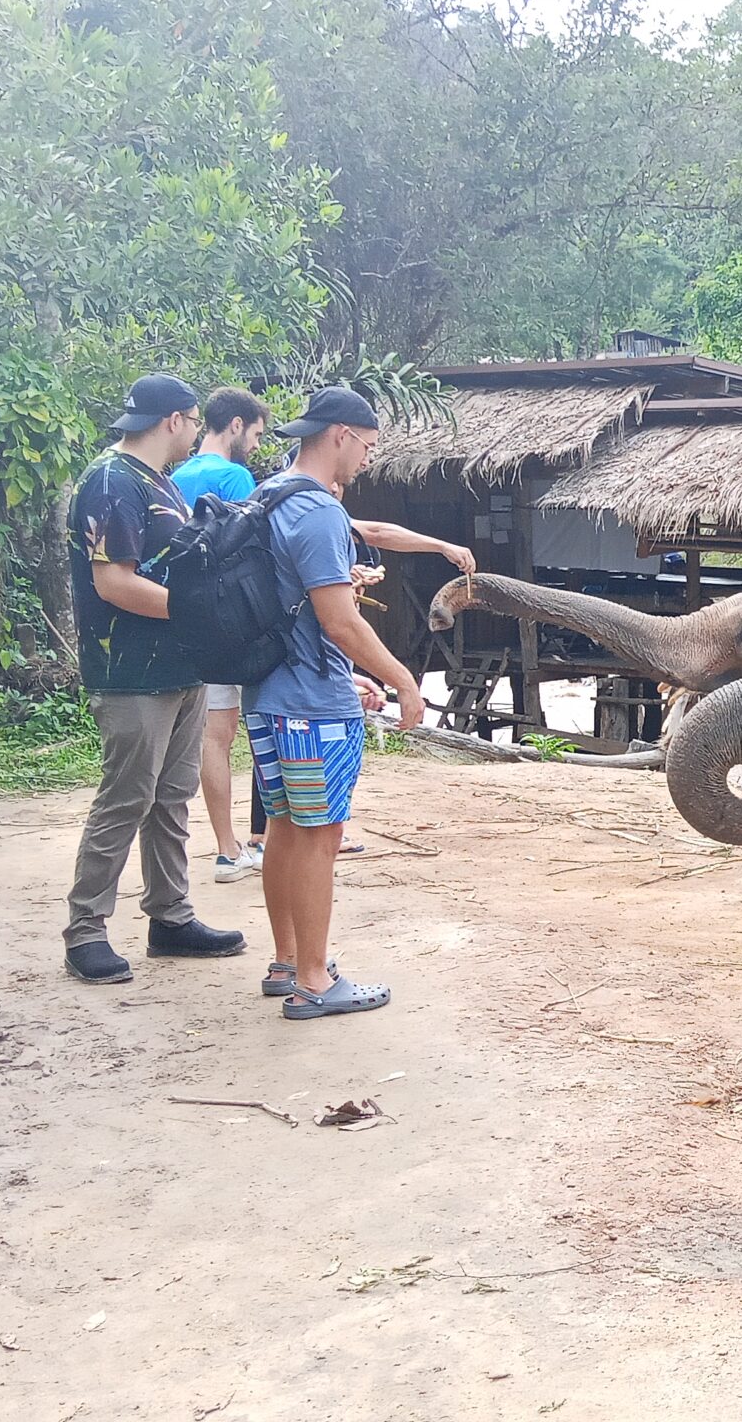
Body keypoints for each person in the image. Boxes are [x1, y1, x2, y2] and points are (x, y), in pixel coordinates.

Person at [61, 373, 247, 984]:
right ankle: (85, 929)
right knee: (128, 796)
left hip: (177, 665)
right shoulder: (112, 481)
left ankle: (170, 916)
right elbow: (113, 581)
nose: (197, 432)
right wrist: (199, 613)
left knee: (171, 797)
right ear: (175, 420)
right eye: (194, 421)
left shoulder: (156, 481)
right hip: (130, 671)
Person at [244, 386, 422, 1018]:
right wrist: (401, 678)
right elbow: (339, 621)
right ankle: (315, 982)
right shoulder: (317, 510)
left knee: (286, 827)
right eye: (368, 447)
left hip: (267, 693)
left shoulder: (265, 495)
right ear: (342, 435)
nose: (367, 461)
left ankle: (287, 962)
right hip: (310, 705)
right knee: (321, 834)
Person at [169, 387, 271, 884]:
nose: (254, 445)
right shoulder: (234, 477)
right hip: (231, 620)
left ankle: (228, 846)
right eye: (254, 434)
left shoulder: (174, 477)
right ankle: (248, 844)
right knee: (240, 734)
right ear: (235, 425)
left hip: (186, 619)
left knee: (212, 736)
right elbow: (249, 547)